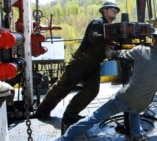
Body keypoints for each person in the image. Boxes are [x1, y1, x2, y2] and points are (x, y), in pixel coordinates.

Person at [55, 26, 157, 141]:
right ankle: (137, 136)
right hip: (143, 104)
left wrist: (111, 53)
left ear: (153, 39)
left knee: (93, 118)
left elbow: (121, 54)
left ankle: (63, 140)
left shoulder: (141, 51)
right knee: (134, 110)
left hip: (123, 99)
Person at [34, 0, 120, 132]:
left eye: (116, 10)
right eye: (112, 8)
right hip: (81, 61)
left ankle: (70, 115)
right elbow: (93, 38)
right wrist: (110, 37)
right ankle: (42, 112)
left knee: (92, 90)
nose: (115, 11)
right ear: (104, 10)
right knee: (63, 87)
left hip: (94, 64)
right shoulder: (98, 23)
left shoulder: (112, 28)